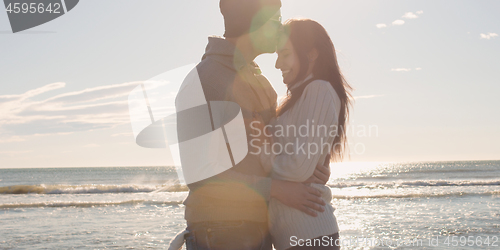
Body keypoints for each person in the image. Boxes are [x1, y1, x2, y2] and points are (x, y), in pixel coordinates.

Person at [171, 1, 332, 250]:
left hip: (261, 226)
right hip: (220, 229)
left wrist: (311, 169)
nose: (281, 29)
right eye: (276, 20)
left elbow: (271, 151)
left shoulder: (262, 83)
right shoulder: (203, 80)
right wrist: (279, 189)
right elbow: (199, 174)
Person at [252, 18, 353, 250]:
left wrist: (264, 147)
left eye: (285, 54)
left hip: (310, 235)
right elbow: (301, 165)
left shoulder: (319, 90)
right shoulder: (301, 96)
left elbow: (298, 168)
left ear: (311, 54)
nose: (277, 64)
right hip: (298, 237)